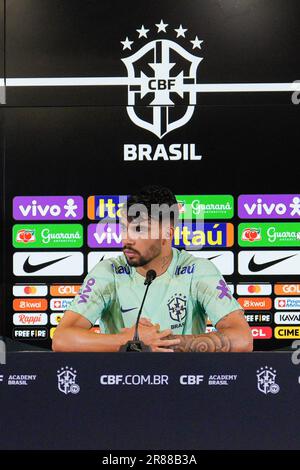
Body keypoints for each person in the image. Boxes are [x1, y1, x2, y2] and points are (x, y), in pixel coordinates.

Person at [52, 186, 253, 353]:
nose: (126, 239)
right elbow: (62, 339)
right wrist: (129, 340)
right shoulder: (109, 272)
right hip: (119, 389)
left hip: (186, 388)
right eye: (124, 228)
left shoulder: (197, 270)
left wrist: (160, 342)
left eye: (138, 229)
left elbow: (243, 339)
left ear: (167, 233)